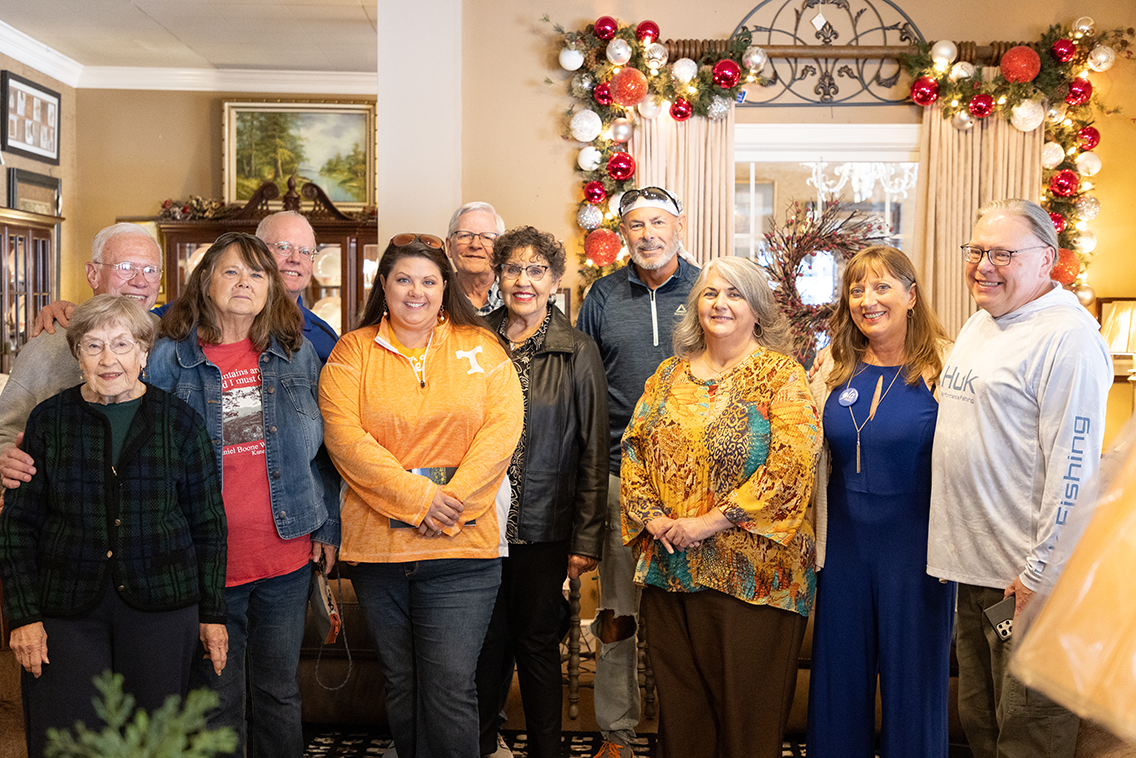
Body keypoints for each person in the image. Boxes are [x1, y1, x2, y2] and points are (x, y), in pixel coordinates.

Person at [319, 233, 523, 758]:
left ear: (445, 287)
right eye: (404, 279)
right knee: (402, 683)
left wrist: (451, 503)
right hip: (380, 554)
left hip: (464, 549)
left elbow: (501, 432)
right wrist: (421, 500)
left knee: (450, 685)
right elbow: (345, 440)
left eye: (429, 281)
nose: (417, 292)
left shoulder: (483, 348)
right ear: (384, 286)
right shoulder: (352, 351)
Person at [0, 295, 227, 758]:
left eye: (122, 344)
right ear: (77, 354)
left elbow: (208, 524)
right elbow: (18, 526)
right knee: (67, 743)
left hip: (163, 608)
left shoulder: (180, 421)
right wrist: (23, 617)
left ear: (143, 354)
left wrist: (213, 614)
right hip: (65, 612)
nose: (108, 359)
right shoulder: (48, 421)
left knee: (156, 744)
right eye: (93, 345)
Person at [927, 199, 1111, 758]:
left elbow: (1073, 471)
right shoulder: (982, 321)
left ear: (1046, 260)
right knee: (982, 728)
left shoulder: (1069, 338)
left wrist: (1038, 576)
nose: (984, 266)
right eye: (977, 251)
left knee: (1030, 736)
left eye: (1003, 254)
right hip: (975, 574)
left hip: (1028, 584)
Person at [146, 232, 340, 758]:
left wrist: (328, 526)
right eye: (231, 271)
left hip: (285, 556)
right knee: (216, 700)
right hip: (204, 563)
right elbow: (144, 456)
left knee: (279, 694)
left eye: (257, 274)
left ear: (271, 288)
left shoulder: (296, 355)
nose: (244, 283)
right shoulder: (168, 358)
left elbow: (326, 452)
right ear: (205, 281)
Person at [621, 256, 819, 758]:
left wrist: (708, 523)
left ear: (757, 309)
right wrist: (654, 519)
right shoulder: (668, 375)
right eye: (710, 293)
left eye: (734, 294)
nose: (720, 303)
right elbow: (633, 450)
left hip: (754, 579)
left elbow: (792, 467)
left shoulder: (780, 375)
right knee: (683, 724)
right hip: (670, 569)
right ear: (695, 306)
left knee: (745, 726)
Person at [805, 246, 954, 758]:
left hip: (919, 554)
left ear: (911, 296)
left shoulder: (948, 365)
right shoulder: (831, 367)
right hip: (842, 551)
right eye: (856, 289)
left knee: (915, 694)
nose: (867, 300)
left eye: (882, 286)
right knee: (837, 688)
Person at [575, 186, 700, 758]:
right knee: (618, 611)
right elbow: (585, 385)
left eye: (658, 222)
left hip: (692, 483)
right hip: (617, 476)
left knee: (684, 616)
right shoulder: (602, 295)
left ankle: (689, 733)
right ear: (622, 234)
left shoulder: (707, 289)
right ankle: (616, 733)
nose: (647, 235)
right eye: (635, 225)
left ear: (679, 226)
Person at [477, 226, 608, 758]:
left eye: (536, 271)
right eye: (513, 269)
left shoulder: (577, 350)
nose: (523, 281)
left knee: (534, 645)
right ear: (498, 276)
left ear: (554, 281)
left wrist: (586, 539)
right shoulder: (473, 339)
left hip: (543, 527)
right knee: (483, 646)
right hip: (475, 524)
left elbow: (593, 450)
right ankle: (481, 747)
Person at [32, 211, 340, 363]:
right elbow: (130, 318)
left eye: (306, 251)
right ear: (255, 249)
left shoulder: (322, 339)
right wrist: (78, 311)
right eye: (283, 247)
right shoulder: (182, 318)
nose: (295, 259)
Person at [0, 223, 162, 491]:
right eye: (125, 267)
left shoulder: (168, 336)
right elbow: (5, 429)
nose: (140, 281)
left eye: (150, 270)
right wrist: (5, 456)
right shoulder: (50, 343)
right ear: (93, 274)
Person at [446, 202, 506, 315]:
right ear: (449, 246)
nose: (475, 245)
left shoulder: (516, 297)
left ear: (500, 248)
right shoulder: (435, 298)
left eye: (487, 237)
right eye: (465, 235)